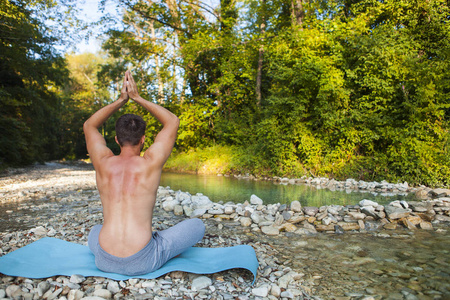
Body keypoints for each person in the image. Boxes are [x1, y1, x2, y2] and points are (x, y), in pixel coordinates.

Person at [84, 70, 205, 275]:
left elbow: (90, 125)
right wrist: (137, 98)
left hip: (104, 260)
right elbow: (172, 121)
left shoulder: (103, 162)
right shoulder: (150, 162)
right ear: (143, 140)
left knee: (95, 231)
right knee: (197, 225)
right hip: (143, 261)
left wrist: (121, 100)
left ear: (116, 139)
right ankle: (155, 241)